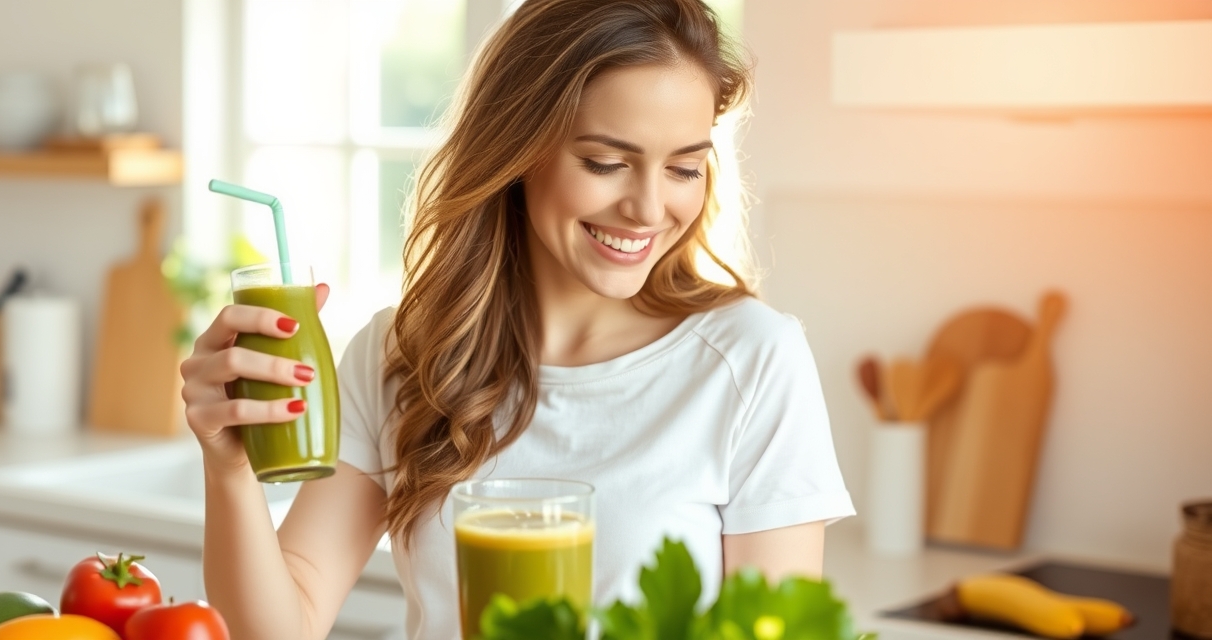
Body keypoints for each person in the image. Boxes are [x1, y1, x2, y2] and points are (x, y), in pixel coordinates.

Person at [178, 0, 855, 638]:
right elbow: (277, 625)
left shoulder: (750, 361)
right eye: (606, 163)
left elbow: (778, 627)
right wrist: (227, 465)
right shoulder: (401, 353)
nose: (649, 209)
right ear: (517, 151)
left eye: (683, 168)